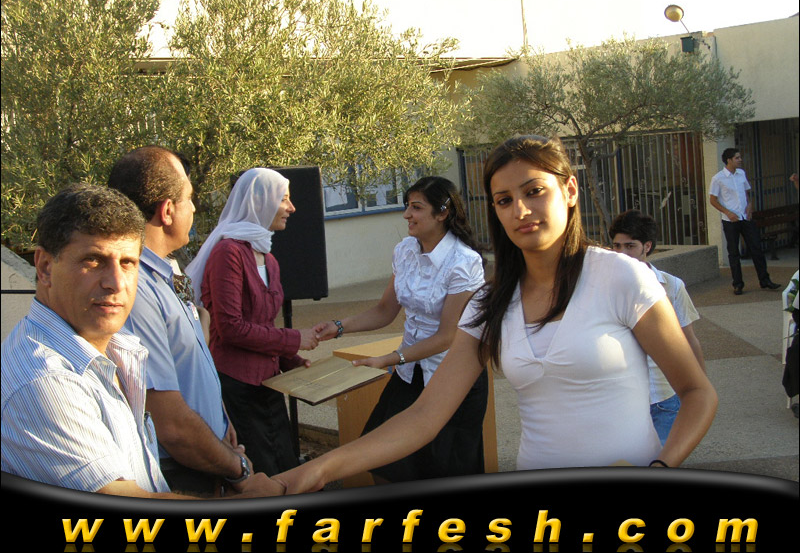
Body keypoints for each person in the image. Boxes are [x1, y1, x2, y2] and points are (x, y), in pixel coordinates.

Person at [273, 135, 718, 494]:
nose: (520, 210)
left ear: (570, 190)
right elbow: (425, 416)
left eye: (534, 191)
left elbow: (697, 392)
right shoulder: (491, 303)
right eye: (503, 200)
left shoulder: (621, 276)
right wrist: (315, 471)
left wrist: (661, 467)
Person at [1, 184, 281, 498]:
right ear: (44, 267)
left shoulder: (111, 349)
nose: (116, 283)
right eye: (93, 260)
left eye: (128, 263)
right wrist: (251, 492)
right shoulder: (49, 381)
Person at [314, 176, 488, 483]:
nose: (407, 214)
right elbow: (385, 311)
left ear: (443, 212)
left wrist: (390, 359)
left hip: (451, 377)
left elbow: (447, 337)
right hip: (410, 373)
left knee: (443, 475)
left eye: (416, 207)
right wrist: (339, 327)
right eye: (407, 206)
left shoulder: (464, 262)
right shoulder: (405, 250)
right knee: (384, 463)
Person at [108, 146, 258, 496]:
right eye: (189, 198)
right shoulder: (136, 290)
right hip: (181, 472)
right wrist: (241, 471)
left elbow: (185, 366)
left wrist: (220, 418)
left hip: (208, 455)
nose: (194, 208)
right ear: (167, 211)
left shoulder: (162, 274)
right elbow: (171, 426)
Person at [185, 168, 318, 476]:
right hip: (238, 388)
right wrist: (294, 339)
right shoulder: (228, 253)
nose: (291, 208)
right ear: (260, 202)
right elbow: (231, 327)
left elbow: (262, 323)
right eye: (284, 199)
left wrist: (291, 361)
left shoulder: (268, 258)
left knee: (284, 467)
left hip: (267, 383)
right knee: (260, 473)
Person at [609, 209, 707, 444]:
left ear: (647, 246)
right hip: (621, 400)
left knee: (662, 459)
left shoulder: (671, 286)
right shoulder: (604, 288)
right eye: (616, 246)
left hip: (664, 397)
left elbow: (689, 339)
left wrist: (701, 389)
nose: (622, 253)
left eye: (630, 246)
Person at [709, 148, 781, 295]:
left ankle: (765, 280)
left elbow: (746, 193)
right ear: (729, 160)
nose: (740, 160)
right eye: (737, 158)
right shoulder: (718, 178)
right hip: (730, 221)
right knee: (734, 253)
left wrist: (749, 206)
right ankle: (738, 284)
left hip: (745, 218)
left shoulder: (741, 173)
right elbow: (713, 200)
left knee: (756, 248)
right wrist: (728, 213)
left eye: (740, 157)